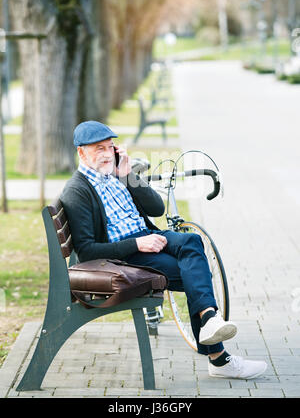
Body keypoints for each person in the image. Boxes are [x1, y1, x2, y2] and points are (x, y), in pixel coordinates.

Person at [61, 120, 267, 380]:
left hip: (149, 237)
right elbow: (88, 250)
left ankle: (210, 321)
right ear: (81, 152)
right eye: (98, 148)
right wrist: (138, 244)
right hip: (126, 255)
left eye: (110, 147)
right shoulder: (77, 190)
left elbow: (157, 209)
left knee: (191, 242)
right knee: (195, 275)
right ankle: (218, 357)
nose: (106, 154)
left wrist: (128, 175)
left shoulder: (116, 176)